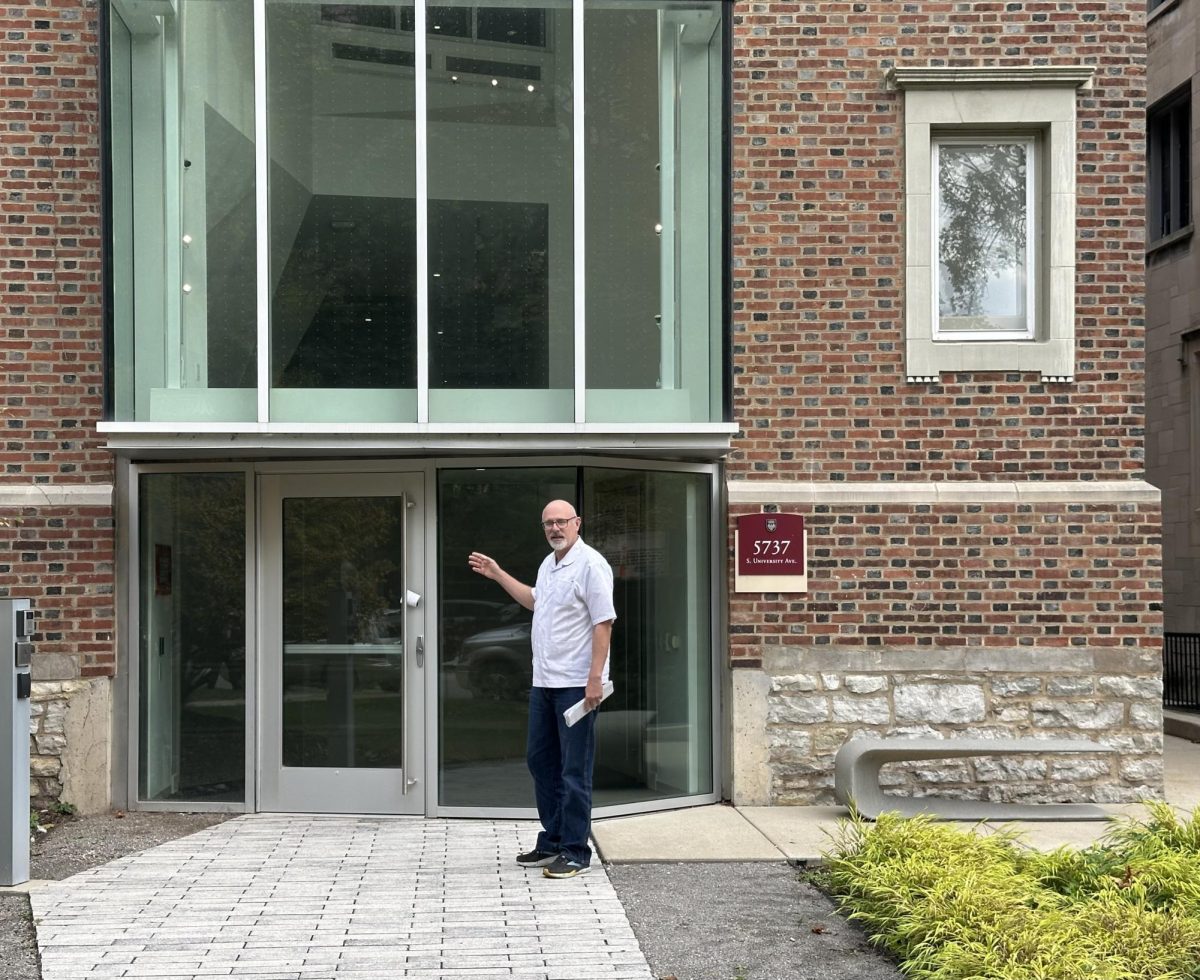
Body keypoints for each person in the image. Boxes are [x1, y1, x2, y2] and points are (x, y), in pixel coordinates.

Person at [468, 499, 616, 879]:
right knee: (540, 761)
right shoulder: (549, 566)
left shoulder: (590, 564)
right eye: (548, 523)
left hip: (575, 687)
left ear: (576, 523)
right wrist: (499, 575)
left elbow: (603, 622)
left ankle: (575, 850)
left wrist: (595, 678)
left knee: (573, 770)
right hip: (544, 683)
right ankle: (552, 840)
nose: (554, 528)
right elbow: (535, 601)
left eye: (561, 522)